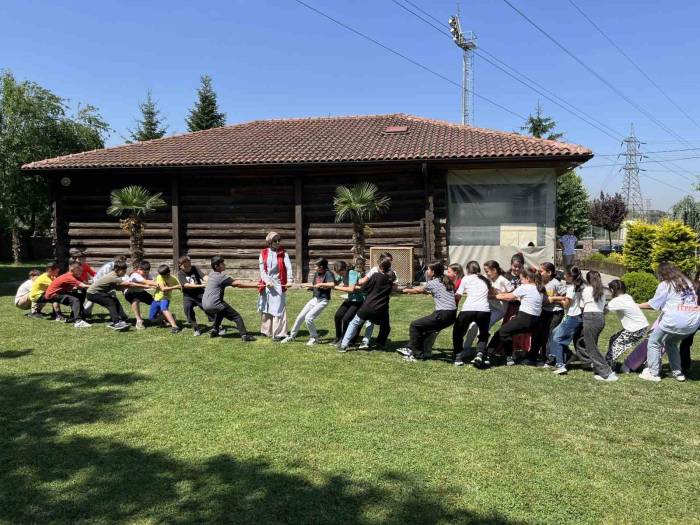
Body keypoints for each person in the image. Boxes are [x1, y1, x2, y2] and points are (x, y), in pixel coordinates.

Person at [638, 262, 700, 382]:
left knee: (653, 342)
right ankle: (678, 373)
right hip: (693, 323)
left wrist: (637, 305)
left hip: (675, 321)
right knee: (671, 343)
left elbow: (653, 305)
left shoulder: (666, 284)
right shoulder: (689, 282)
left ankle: (653, 373)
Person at [396, 261, 457, 361]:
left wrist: (403, 290)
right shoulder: (447, 281)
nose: (426, 271)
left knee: (415, 325)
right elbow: (432, 291)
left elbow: (418, 290)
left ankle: (415, 354)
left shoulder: (433, 283)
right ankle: (415, 349)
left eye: (428, 269)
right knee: (425, 330)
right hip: (451, 315)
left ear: (433, 272)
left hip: (442, 314)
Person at [484, 266, 544, 368]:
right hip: (535, 321)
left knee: (501, 333)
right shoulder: (540, 289)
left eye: (521, 279)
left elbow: (508, 297)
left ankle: (490, 356)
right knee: (508, 333)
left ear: (528, 278)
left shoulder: (525, 287)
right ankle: (511, 358)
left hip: (524, 318)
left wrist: (490, 296)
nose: (520, 281)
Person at [338, 256, 396, 353]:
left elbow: (364, 289)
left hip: (368, 306)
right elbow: (390, 291)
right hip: (382, 307)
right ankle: (380, 343)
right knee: (385, 327)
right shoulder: (390, 280)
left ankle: (343, 346)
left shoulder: (375, 276)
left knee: (354, 322)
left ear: (381, 267)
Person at [462, 260, 513, 359]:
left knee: (484, 326)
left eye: (487, 271)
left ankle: (481, 351)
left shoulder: (503, 281)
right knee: (473, 325)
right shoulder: (485, 279)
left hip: (499, 310)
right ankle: (466, 349)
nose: (486, 273)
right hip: (487, 307)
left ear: (494, 270)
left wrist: (495, 296)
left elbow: (512, 295)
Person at [575, 270, 618, 382]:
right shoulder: (602, 291)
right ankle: (591, 364)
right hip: (599, 317)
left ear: (588, 279)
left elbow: (582, 305)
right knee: (582, 341)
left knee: (591, 348)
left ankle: (607, 373)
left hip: (590, 317)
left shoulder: (586, 290)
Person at [282, 258, 336, 346]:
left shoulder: (328, 273)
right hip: (315, 299)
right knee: (300, 317)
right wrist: (309, 287)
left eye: (316, 266)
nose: (314, 268)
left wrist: (321, 284)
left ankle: (314, 338)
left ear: (321, 267)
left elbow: (332, 284)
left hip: (323, 300)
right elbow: (314, 285)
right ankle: (292, 336)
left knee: (308, 318)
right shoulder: (317, 273)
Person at [203, 256, 256, 341]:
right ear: (217, 266)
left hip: (205, 304)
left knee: (221, 312)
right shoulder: (221, 276)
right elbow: (238, 284)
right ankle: (244, 335)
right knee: (237, 317)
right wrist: (256, 285)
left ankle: (215, 329)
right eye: (222, 263)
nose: (224, 264)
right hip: (214, 304)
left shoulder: (212, 274)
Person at [523, 262, 566, 365]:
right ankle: (532, 356)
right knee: (537, 333)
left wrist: (553, 299)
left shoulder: (556, 283)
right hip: (543, 311)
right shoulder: (540, 282)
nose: (539, 272)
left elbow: (566, 297)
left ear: (549, 272)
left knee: (548, 334)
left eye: (541, 271)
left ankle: (548, 359)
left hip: (555, 312)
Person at [452, 261, 491, 367]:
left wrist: (454, 307)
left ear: (468, 270)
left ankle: (458, 357)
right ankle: (480, 354)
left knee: (458, 332)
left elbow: (458, 295)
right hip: (484, 310)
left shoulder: (465, 279)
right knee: (483, 334)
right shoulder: (486, 279)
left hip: (468, 309)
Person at [548, 266, 585, 375]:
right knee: (555, 333)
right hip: (577, 316)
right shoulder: (582, 286)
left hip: (573, 317)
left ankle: (560, 364)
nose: (564, 276)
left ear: (570, 276)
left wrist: (555, 299)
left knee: (558, 338)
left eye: (565, 274)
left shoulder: (570, 288)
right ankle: (568, 356)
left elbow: (566, 305)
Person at [357, 252, 398, 350]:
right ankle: (364, 342)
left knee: (386, 326)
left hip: (383, 301)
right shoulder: (374, 270)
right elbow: (363, 281)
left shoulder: (393, 273)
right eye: (388, 260)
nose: (390, 263)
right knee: (369, 322)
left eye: (390, 261)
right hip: (371, 300)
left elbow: (395, 288)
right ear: (382, 261)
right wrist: (353, 281)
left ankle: (380, 342)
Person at [605, 279, 649, 369]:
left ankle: (607, 367)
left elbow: (603, 311)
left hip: (635, 328)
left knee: (616, 345)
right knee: (614, 339)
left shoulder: (617, 300)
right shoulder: (627, 296)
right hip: (642, 326)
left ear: (612, 290)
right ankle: (610, 362)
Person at [258, 232, 293, 340]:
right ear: (269, 242)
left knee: (279, 308)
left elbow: (289, 267)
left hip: (278, 283)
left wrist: (290, 280)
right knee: (266, 306)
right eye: (275, 240)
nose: (278, 242)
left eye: (279, 240)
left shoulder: (283, 253)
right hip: (266, 284)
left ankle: (279, 333)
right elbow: (262, 270)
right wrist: (267, 281)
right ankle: (266, 330)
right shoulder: (263, 253)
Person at [85, 260, 136, 330]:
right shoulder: (114, 277)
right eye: (123, 270)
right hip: (93, 293)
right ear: (117, 270)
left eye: (125, 270)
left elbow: (118, 288)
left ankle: (116, 321)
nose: (125, 272)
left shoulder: (115, 275)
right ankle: (116, 323)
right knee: (110, 303)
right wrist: (145, 285)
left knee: (114, 301)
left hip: (97, 292)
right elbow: (129, 284)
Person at [43, 260, 91, 328]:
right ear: (72, 270)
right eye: (79, 270)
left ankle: (73, 317)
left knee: (81, 293)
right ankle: (78, 321)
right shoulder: (69, 276)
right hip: (53, 294)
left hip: (60, 292)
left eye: (81, 269)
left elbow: (85, 284)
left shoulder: (75, 275)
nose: (81, 271)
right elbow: (83, 285)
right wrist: (96, 286)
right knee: (75, 300)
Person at [177, 255, 214, 336]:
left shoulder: (195, 268)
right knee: (187, 309)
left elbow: (204, 277)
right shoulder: (180, 273)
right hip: (188, 296)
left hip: (200, 293)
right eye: (181, 265)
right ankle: (196, 328)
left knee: (208, 307)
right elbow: (186, 285)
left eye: (187, 263)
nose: (181, 266)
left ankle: (217, 325)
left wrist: (210, 281)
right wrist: (202, 285)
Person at [331, 260, 364, 345]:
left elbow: (351, 289)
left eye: (340, 273)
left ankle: (344, 338)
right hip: (350, 299)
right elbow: (335, 282)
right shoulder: (341, 274)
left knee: (346, 319)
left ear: (345, 269)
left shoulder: (352, 273)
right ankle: (338, 337)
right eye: (337, 273)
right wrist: (331, 279)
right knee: (337, 316)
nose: (340, 275)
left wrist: (337, 287)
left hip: (358, 300)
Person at [123, 260, 157, 330]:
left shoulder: (147, 274)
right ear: (138, 270)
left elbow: (151, 281)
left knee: (155, 302)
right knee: (135, 301)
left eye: (147, 272)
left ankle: (163, 316)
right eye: (144, 272)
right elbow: (146, 282)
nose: (145, 274)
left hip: (141, 292)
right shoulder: (135, 275)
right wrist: (157, 284)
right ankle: (139, 321)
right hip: (130, 292)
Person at [148, 264, 181, 334]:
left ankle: (174, 326)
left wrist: (181, 288)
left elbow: (181, 287)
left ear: (168, 272)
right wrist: (175, 287)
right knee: (152, 318)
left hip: (165, 298)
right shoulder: (159, 277)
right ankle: (170, 317)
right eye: (162, 275)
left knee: (164, 309)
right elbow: (163, 289)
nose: (163, 277)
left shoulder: (173, 279)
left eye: (164, 275)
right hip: (156, 298)